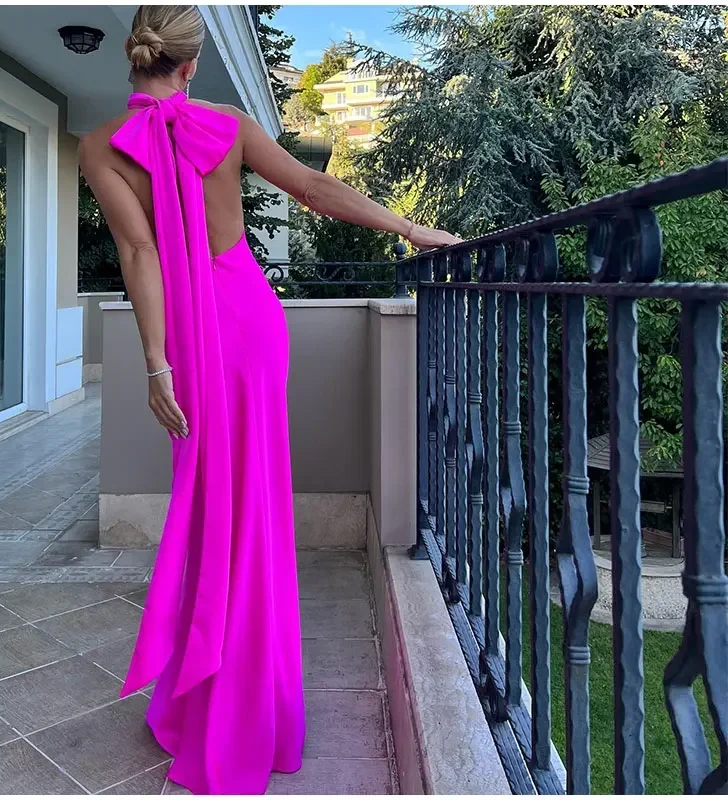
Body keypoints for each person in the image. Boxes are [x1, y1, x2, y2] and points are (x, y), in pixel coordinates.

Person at [79, 5, 461, 794]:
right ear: (191, 65)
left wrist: (155, 363)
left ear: (135, 59)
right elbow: (315, 188)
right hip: (249, 322)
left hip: (188, 335)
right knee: (251, 502)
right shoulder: (228, 124)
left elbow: (139, 250)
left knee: (209, 502)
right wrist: (409, 228)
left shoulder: (98, 145)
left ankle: (210, 697)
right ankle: (251, 702)